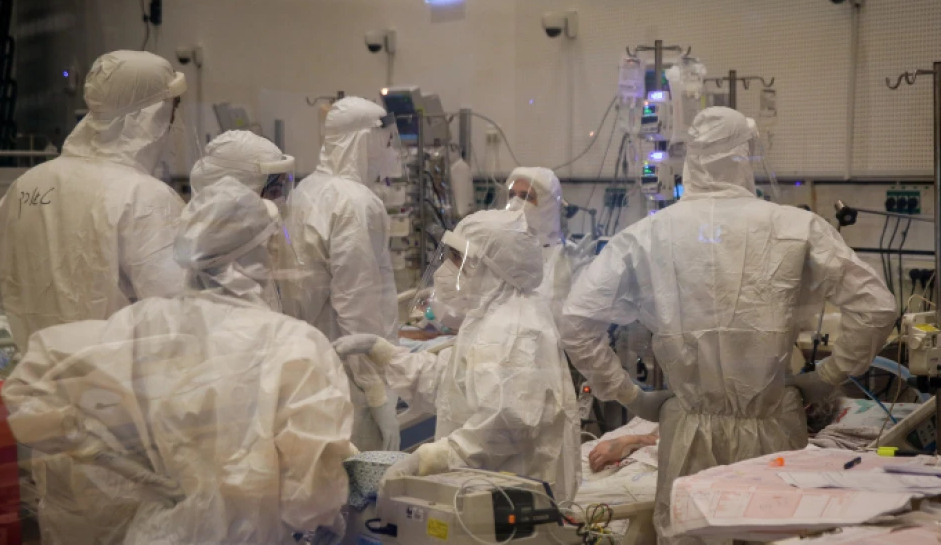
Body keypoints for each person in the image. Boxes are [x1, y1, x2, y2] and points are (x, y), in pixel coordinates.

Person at [559, 107, 896, 544]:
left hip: (687, 435)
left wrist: (630, 396)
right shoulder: (796, 226)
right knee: (775, 535)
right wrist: (826, 376)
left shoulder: (647, 234)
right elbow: (877, 308)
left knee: (691, 534)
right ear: (746, 155)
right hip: (774, 430)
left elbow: (575, 320)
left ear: (691, 158)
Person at [2, 177, 354, 545]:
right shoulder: (296, 344)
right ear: (251, 254)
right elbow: (312, 501)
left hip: (158, 532)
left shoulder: (142, 322)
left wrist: (117, 461)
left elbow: (29, 385)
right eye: (269, 245)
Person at [333, 210, 582, 502]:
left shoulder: (514, 331)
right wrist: (384, 353)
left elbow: (508, 423)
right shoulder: (492, 319)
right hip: (485, 492)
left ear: (490, 267)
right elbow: (450, 383)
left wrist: (434, 457)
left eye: (457, 260)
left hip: (511, 500)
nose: (445, 271)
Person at [0, 50, 188, 352]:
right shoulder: (144, 198)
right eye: (171, 110)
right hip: (114, 387)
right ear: (152, 115)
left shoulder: (25, 185)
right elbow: (179, 313)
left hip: (38, 379)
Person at [282, 96, 400, 451]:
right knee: (359, 491)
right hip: (349, 380)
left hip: (309, 366)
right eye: (386, 141)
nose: (390, 152)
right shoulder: (355, 202)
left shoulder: (305, 189)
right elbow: (356, 303)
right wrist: (376, 387)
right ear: (362, 141)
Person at [188, 129, 300, 311]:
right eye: (274, 189)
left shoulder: (253, 252)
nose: (280, 200)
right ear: (240, 190)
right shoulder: (205, 265)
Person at [505, 166, 592, 321]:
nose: (515, 203)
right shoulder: (500, 253)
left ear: (547, 205)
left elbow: (574, 327)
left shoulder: (568, 260)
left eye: (526, 197)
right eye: (512, 195)